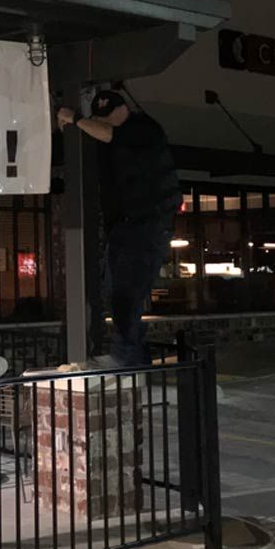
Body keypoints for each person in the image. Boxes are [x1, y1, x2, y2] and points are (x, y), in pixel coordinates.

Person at [57, 90, 180, 367]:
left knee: (128, 291)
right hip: (124, 227)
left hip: (149, 224)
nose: (106, 122)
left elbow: (111, 135)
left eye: (110, 116)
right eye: (102, 118)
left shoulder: (143, 129)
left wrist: (75, 119)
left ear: (123, 109)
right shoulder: (109, 138)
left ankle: (127, 356)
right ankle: (132, 357)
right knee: (115, 291)